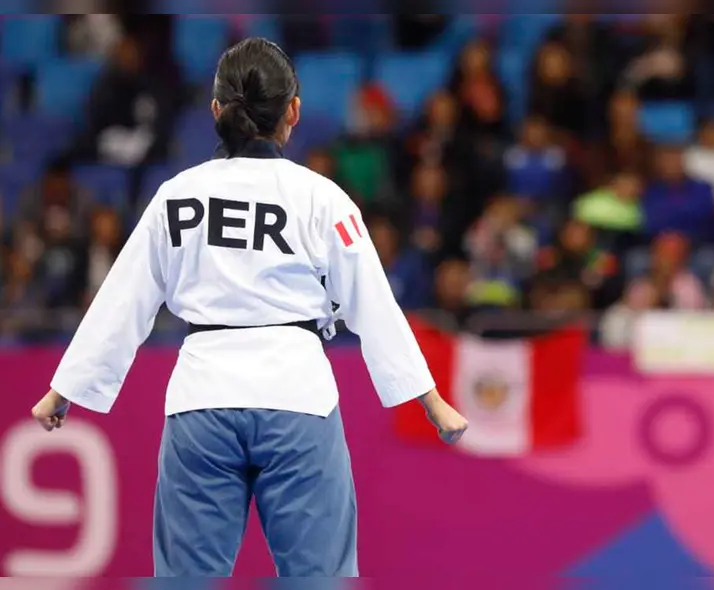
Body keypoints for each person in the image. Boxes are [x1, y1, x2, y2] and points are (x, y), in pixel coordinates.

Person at [29, 38, 468, 578]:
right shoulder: (320, 197)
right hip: (297, 396)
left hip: (201, 399)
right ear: (294, 112)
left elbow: (123, 300)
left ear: (216, 111)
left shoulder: (176, 195)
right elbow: (372, 302)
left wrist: (63, 389)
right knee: (319, 580)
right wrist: (431, 401)